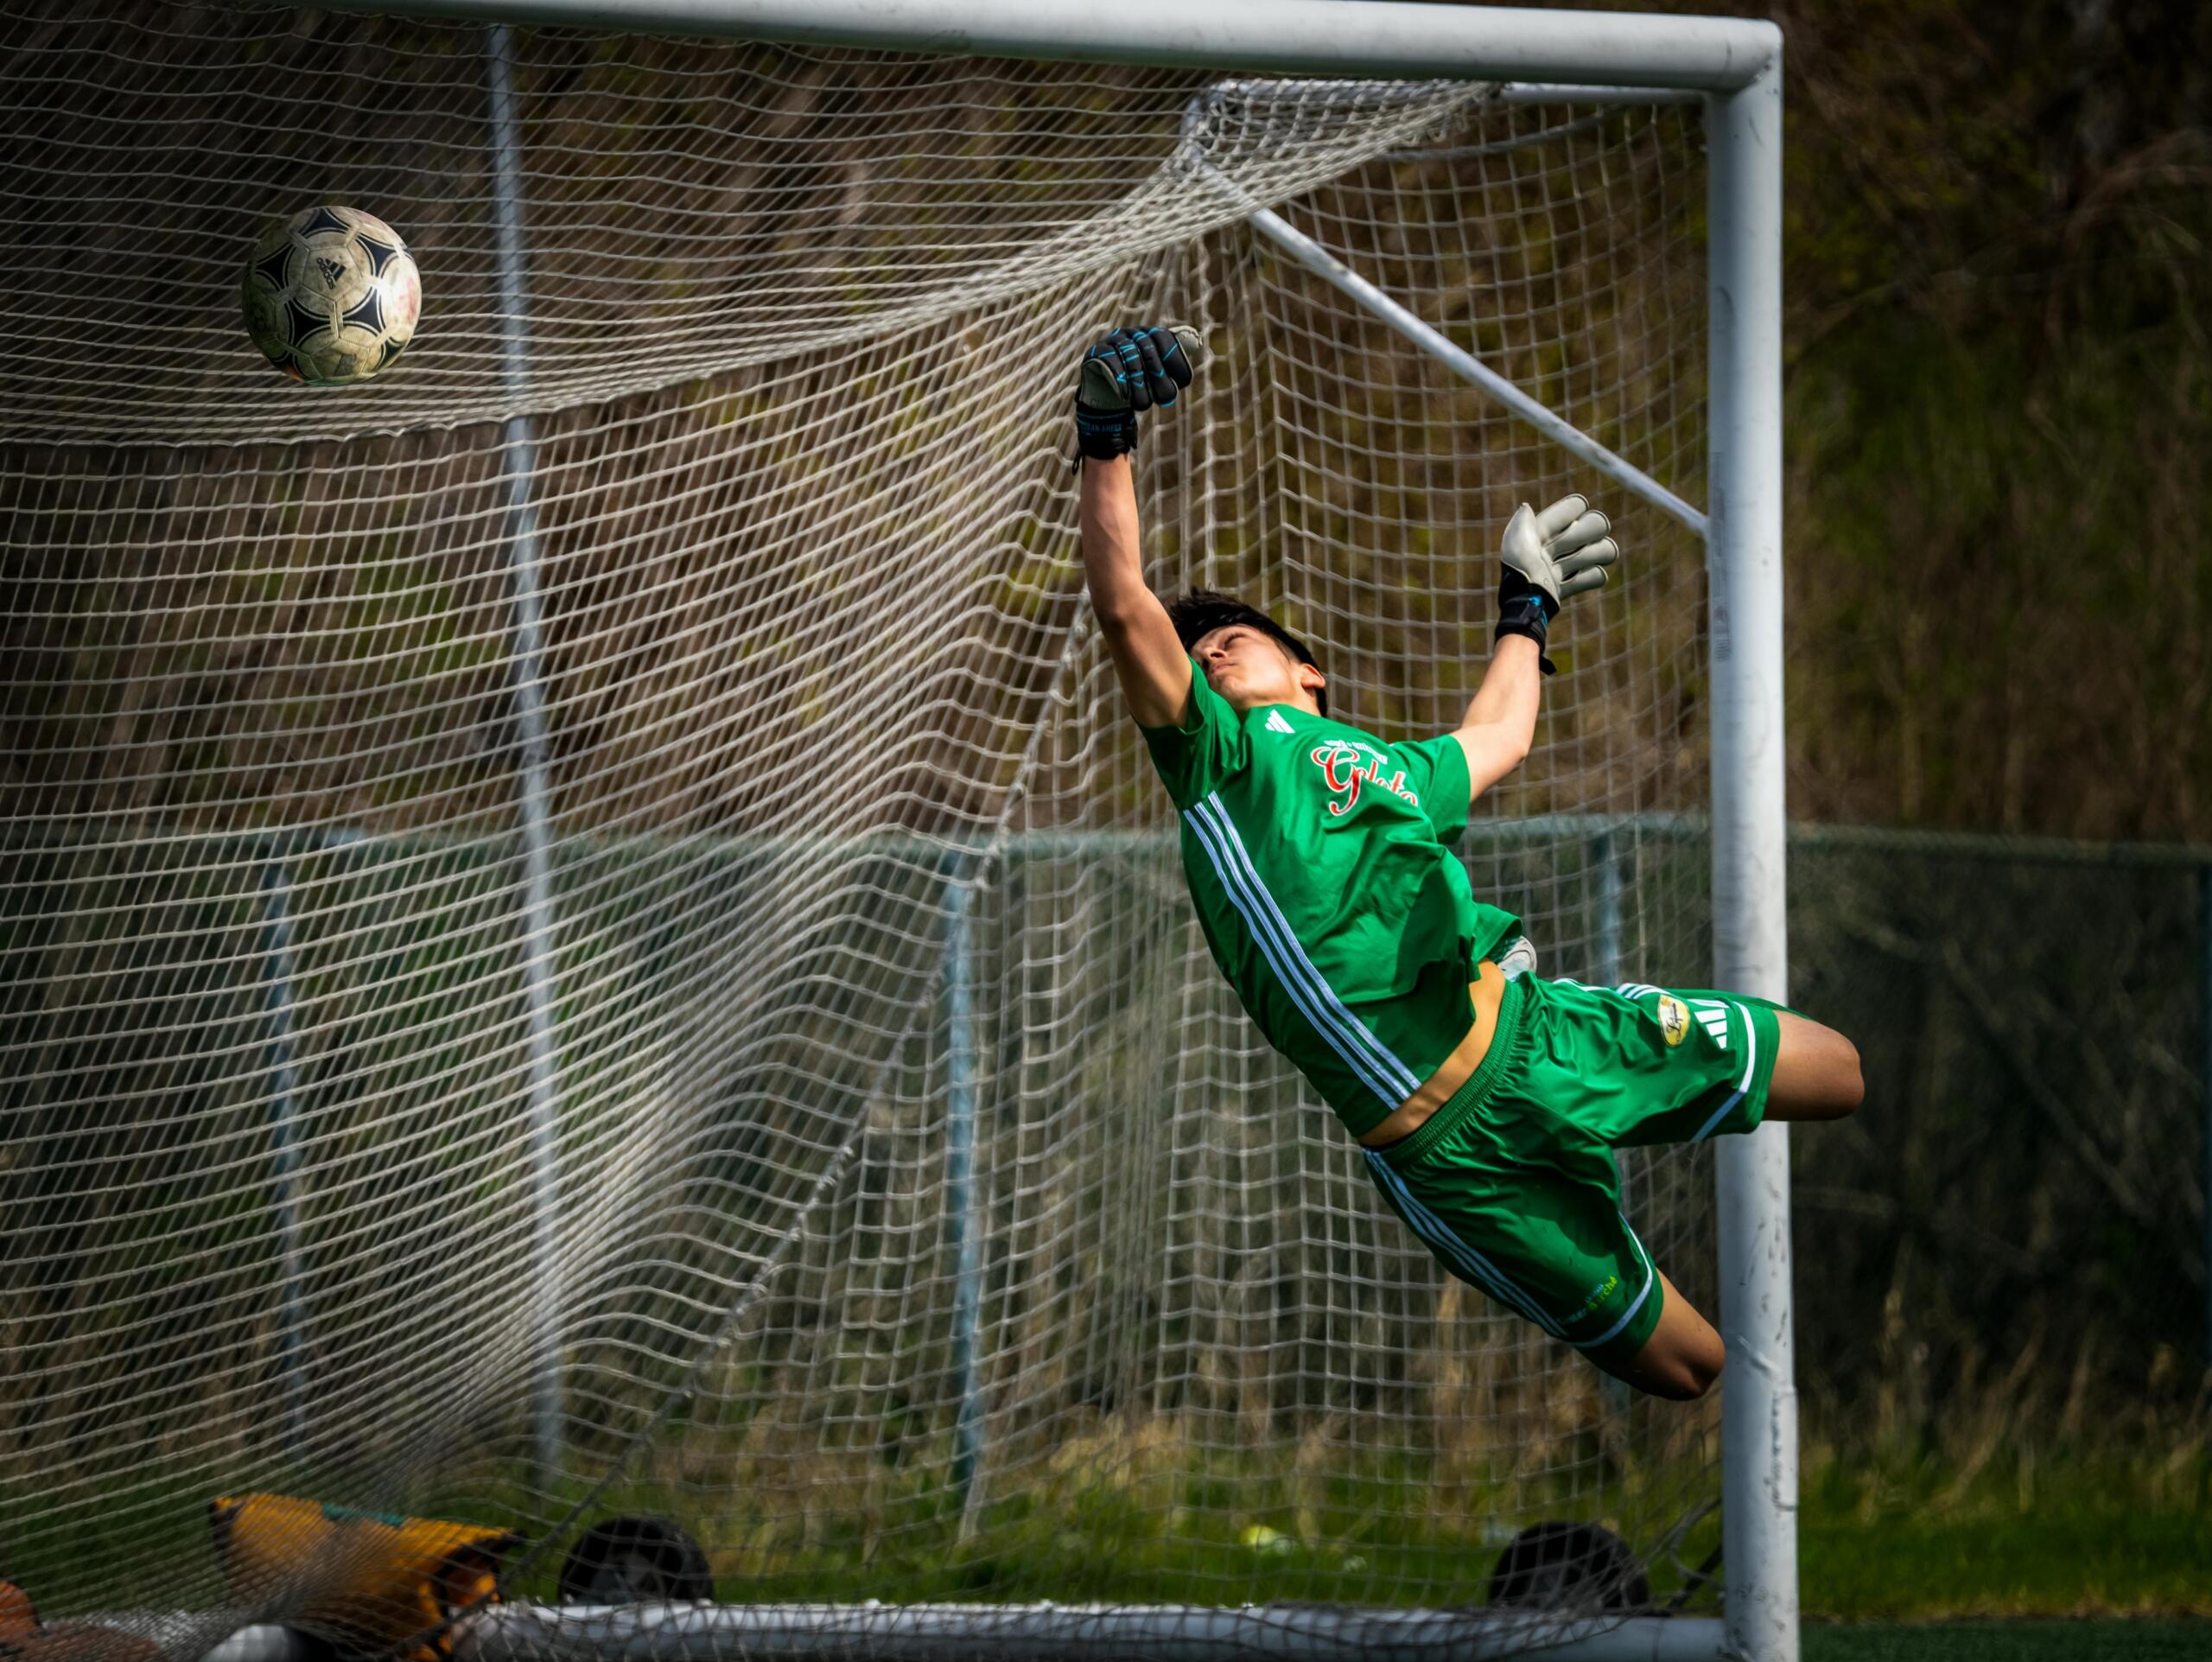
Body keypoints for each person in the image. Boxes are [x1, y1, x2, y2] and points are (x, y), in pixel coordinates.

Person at [1072, 324, 1861, 1399]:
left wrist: (1523, 614)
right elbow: (1123, 603)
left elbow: (1498, 740)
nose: (1205, 644)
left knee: (1843, 1072)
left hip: (1547, 1035)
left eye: (1230, 633)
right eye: (1192, 642)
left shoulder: (1389, 770)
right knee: (1692, 1364)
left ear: (1310, 669)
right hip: (1455, 1157)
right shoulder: (1214, 759)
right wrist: (1105, 433)